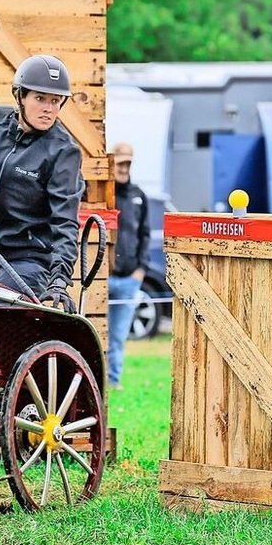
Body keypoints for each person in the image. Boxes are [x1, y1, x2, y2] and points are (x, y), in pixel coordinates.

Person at [0, 55, 84, 310]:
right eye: (40, 98)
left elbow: (66, 222)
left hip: (28, 259)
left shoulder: (63, 152)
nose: (48, 108)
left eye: (55, 101)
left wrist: (60, 279)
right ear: (20, 96)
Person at [105, 142, 152, 390]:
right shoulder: (103, 193)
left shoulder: (138, 196)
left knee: (118, 336)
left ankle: (114, 381)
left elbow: (145, 234)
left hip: (128, 278)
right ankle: (98, 381)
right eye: (120, 162)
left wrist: (140, 269)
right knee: (98, 333)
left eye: (127, 163)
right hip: (103, 276)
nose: (124, 168)